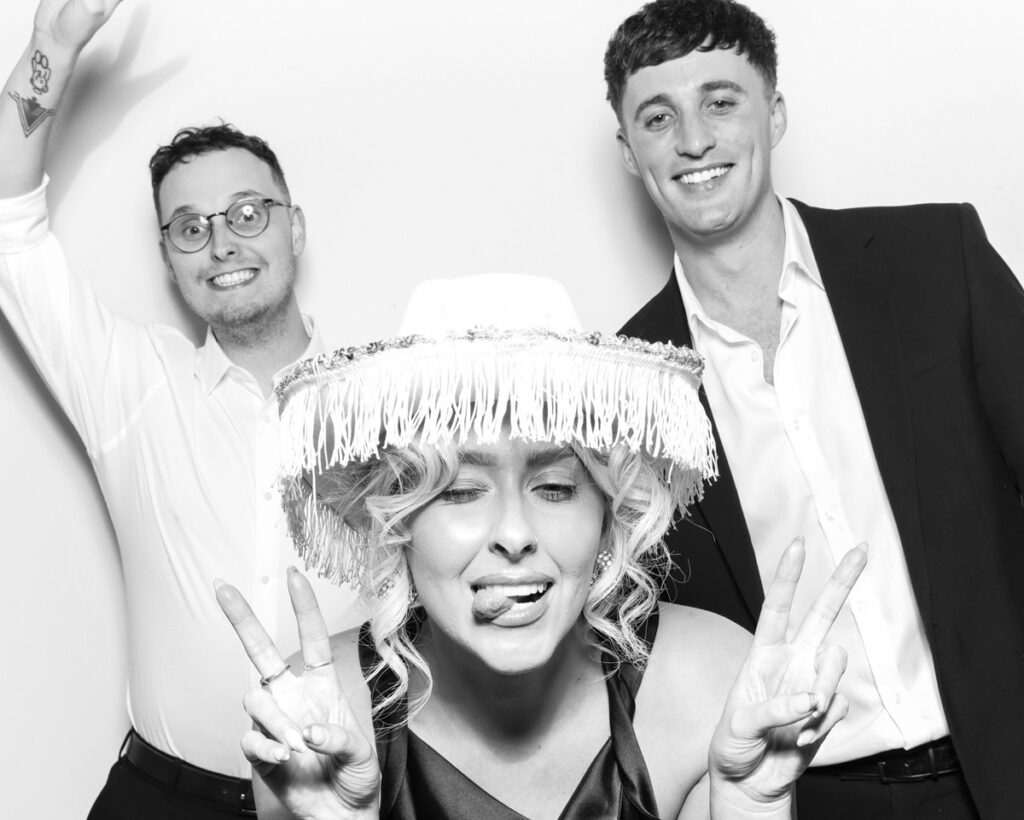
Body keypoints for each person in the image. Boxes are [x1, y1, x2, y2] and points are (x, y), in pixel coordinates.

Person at [217, 273, 866, 819]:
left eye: (555, 487)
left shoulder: (707, 682)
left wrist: (753, 800)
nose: (515, 534)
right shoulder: (322, 721)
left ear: (609, 511)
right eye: (460, 492)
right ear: (397, 521)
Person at [607, 1, 1024, 818]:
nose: (694, 139)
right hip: (812, 801)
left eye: (721, 101)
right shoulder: (625, 388)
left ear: (776, 112)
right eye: (659, 118)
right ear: (630, 153)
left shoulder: (937, 260)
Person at [0, 2, 358, 816]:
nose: (222, 244)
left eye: (246, 214)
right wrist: (51, 45)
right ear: (166, 257)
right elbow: (5, 225)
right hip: (163, 801)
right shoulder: (132, 383)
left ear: (293, 229)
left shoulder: (388, 404)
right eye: (189, 228)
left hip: (346, 799)